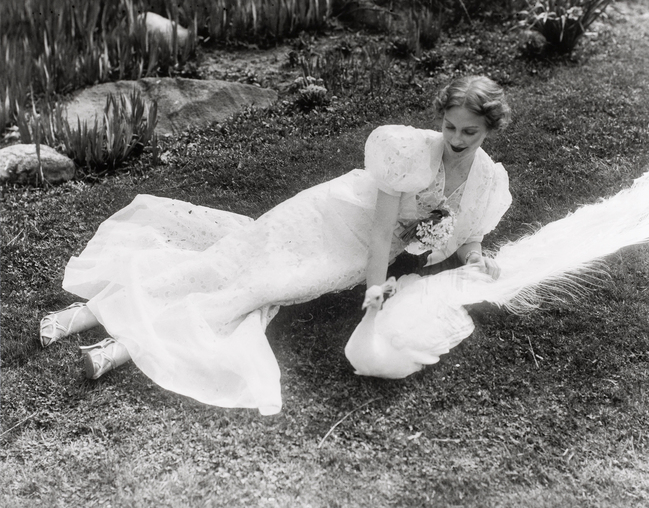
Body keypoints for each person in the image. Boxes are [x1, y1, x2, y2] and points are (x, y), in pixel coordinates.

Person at [38, 75, 513, 415]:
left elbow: (468, 234)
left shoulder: (488, 179)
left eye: (469, 132)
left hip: (346, 257)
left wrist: (476, 257)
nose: (456, 138)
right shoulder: (409, 152)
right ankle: (93, 316)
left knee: (260, 289)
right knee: (229, 262)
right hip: (331, 216)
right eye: (450, 126)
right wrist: (375, 288)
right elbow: (380, 230)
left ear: (490, 129)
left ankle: (122, 344)